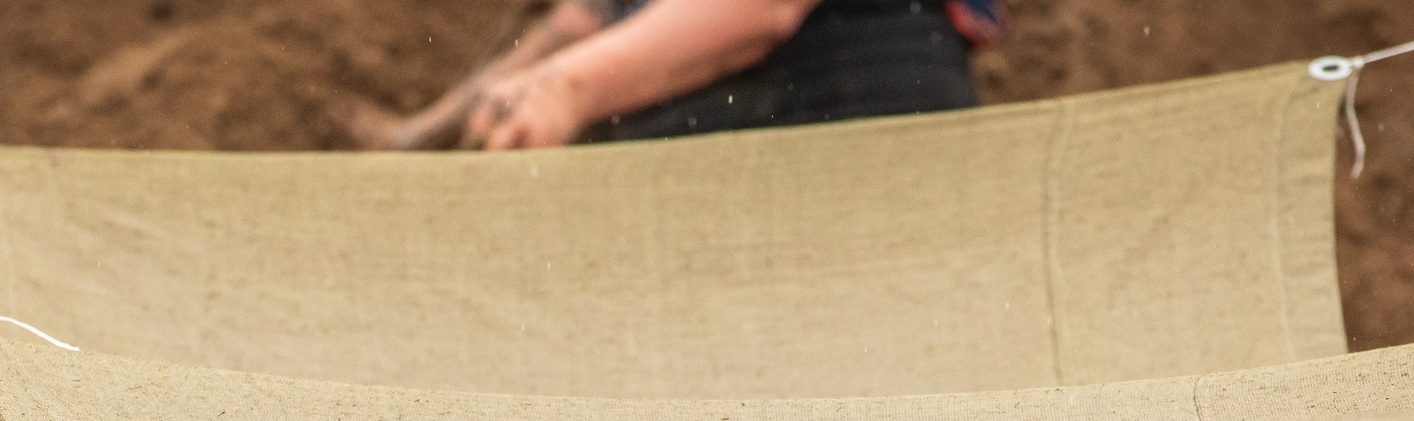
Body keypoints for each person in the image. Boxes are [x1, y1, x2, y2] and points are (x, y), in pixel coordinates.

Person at [355, 0, 999, 153]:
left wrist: (566, 89)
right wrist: (419, 138)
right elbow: (583, 18)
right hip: (697, 123)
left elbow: (765, 10)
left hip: (849, 106)